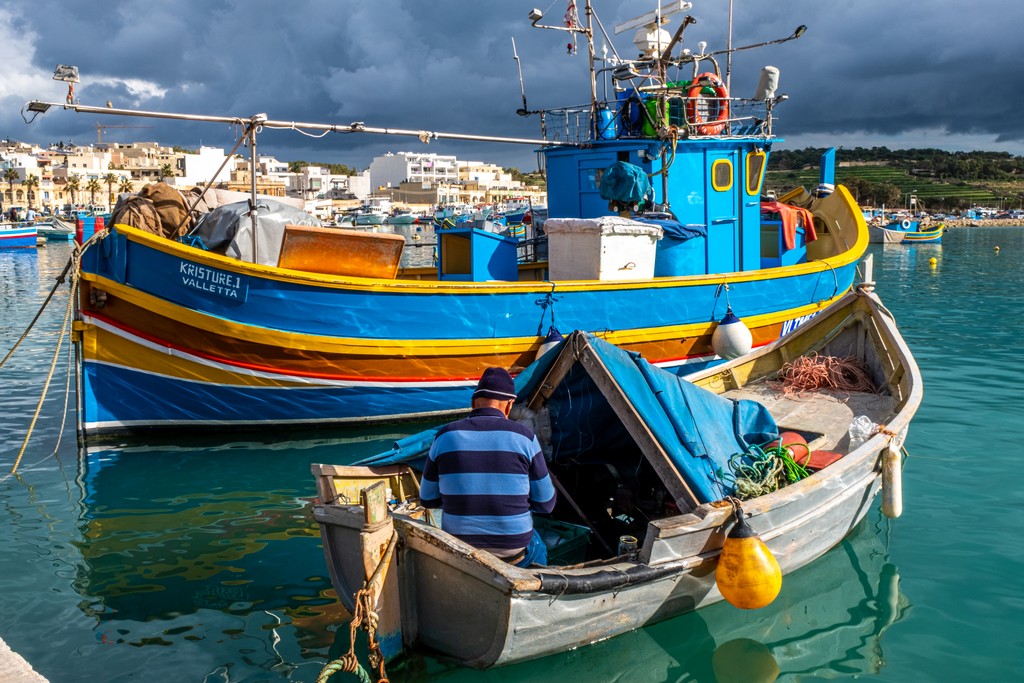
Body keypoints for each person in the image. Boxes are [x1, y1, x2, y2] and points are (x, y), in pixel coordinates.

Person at [420, 367, 556, 567]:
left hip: (460, 550)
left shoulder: (444, 436)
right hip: (513, 552)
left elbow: (427, 499)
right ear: (509, 405)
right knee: (538, 546)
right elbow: (546, 504)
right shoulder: (525, 437)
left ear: (473, 403)